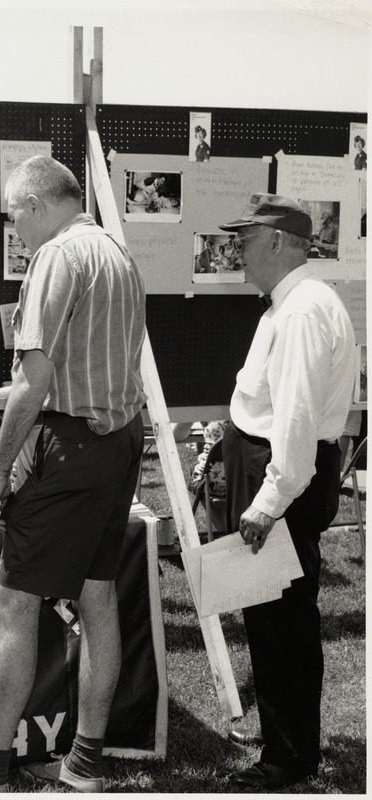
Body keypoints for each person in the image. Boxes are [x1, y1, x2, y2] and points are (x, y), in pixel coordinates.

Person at [0, 155, 145, 793]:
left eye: (14, 215)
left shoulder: (56, 257)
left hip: (72, 450)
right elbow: (76, 370)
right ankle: (85, 765)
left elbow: (38, 378)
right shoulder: (114, 252)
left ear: (39, 205)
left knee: (13, 600)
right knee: (97, 596)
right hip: (118, 441)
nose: (14, 228)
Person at [217, 193, 355, 789]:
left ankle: (288, 759)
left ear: (276, 241)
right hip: (287, 474)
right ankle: (286, 743)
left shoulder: (299, 311)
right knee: (276, 623)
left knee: (282, 628)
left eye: (245, 240)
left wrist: (268, 504)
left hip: (285, 482)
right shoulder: (295, 302)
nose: (237, 252)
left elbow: (295, 423)